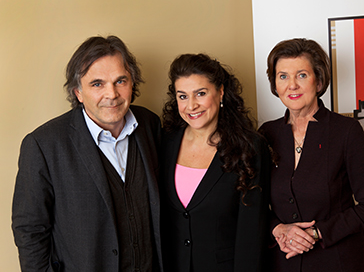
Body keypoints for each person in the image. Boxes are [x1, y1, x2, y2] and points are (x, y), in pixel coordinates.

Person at [12, 35, 163, 272]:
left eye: (120, 81)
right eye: (97, 84)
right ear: (78, 92)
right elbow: (30, 230)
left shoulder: (150, 125)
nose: (111, 94)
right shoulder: (43, 145)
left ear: (132, 83)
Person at [259, 38, 364, 272]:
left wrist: (317, 233)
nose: (292, 86)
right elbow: (252, 202)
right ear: (275, 84)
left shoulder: (346, 132)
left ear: (318, 81)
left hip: (336, 260)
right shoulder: (266, 133)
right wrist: (278, 228)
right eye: (283, 76)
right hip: (281, 261)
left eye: (302, 75)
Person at [160, 53, 270, 272]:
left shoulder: (249, 147)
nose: (191, 105)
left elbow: (251, 233)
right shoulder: (164, 142)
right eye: (182, 96)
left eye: (200, 93)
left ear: (220, 92)